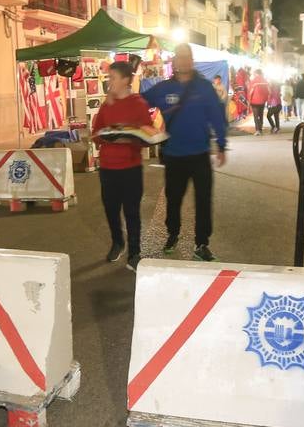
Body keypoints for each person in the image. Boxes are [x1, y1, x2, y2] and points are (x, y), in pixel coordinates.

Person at [143, 43, 229, 262]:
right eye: (180, 57)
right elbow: (141, 102)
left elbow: (216, 116)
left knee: (203, 199)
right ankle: (173, 234)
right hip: (174, 155)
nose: (184, 61)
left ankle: (202, 243)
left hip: (200, 154)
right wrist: (143, 129)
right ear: (174, 61)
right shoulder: (163, 88)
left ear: (192, 60)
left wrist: (221, 144)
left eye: (187, 57)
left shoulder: (204, 87)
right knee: (173, 199)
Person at [91, 61, 151, 271]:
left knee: (132, 211)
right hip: (108, 167)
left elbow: (148, 134)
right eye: (109, 78)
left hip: (131, 168)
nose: (110, 82)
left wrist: (133, 138)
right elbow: (95, 133)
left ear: (126, 80)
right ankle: (118, 241)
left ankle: (135, 252)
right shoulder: (107, 104)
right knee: (111, 209)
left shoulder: (139, 104)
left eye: (113, 78)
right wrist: (105, 137)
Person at [247, 69, 270, 135]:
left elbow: (250, 92)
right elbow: (269, 91)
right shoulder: (265, 81)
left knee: (256, 116)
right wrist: (266, 99)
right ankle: (260, 128)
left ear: (256, 73)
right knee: (261, 115)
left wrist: (249, 101)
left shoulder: (253, 81)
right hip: (262, 102)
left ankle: (258, 130)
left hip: (254, 101)